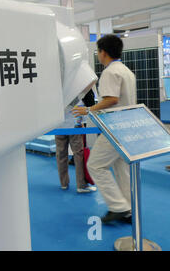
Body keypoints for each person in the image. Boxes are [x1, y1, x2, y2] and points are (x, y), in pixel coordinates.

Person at [73, 34, 136, 224]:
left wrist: (88, 109)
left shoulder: (110, 72)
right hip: (127, 127)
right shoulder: (127, 71)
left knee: (95, 165)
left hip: (114, 129)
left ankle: (118, 207)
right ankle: (129, 210)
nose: (98, 56)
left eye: (98, 52)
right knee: (121, 168)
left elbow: (111, 99)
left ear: (103, 52)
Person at [55, 94, 97, 193]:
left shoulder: (57, 89)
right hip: (74, 124)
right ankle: (81, 185)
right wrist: (82, 121)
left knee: (61, 154)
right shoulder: (76, 89)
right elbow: (79, 107)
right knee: (78, 154)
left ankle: (63, 183)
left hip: (59, 125)